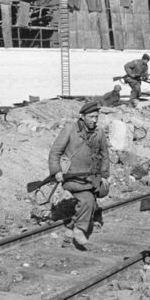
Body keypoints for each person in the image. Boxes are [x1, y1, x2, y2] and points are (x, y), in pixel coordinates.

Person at [48, 101, 110, 250]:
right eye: (91, 117)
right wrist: (56, 172)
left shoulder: (99, 132)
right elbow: (55, 152)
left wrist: (104, 175)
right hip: (73, 177)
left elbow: (104, 155)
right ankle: (79, 231)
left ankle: (69, 233)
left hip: (93, 178)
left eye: (96, 117)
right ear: (82, 117)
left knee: (95, 199)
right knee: (87, 200)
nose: (94, 120)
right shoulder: (70, 129)